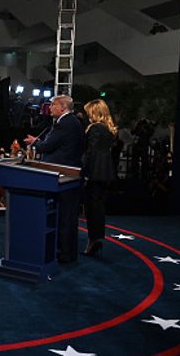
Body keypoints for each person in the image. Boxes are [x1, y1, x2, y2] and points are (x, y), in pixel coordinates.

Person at [24, 95, 84, 263]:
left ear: (63, 107)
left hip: (61, 174)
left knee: (64, 216)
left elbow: (47, 147)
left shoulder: (64, 124)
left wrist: (35, 143)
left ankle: (63, 253)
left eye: (52, 105)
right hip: (68, 174)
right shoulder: (73, 122)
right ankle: (67, 252)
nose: (49, 108)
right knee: (68, 216)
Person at [81, 99, 117, 256]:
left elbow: (91, 153)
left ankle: (93, 240)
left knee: (92, 208)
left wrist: (85, 172)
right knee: (98, 207)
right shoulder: (107, 129)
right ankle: (95, 240)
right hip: (105, 172)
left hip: (95, 173)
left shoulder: (95, 129)